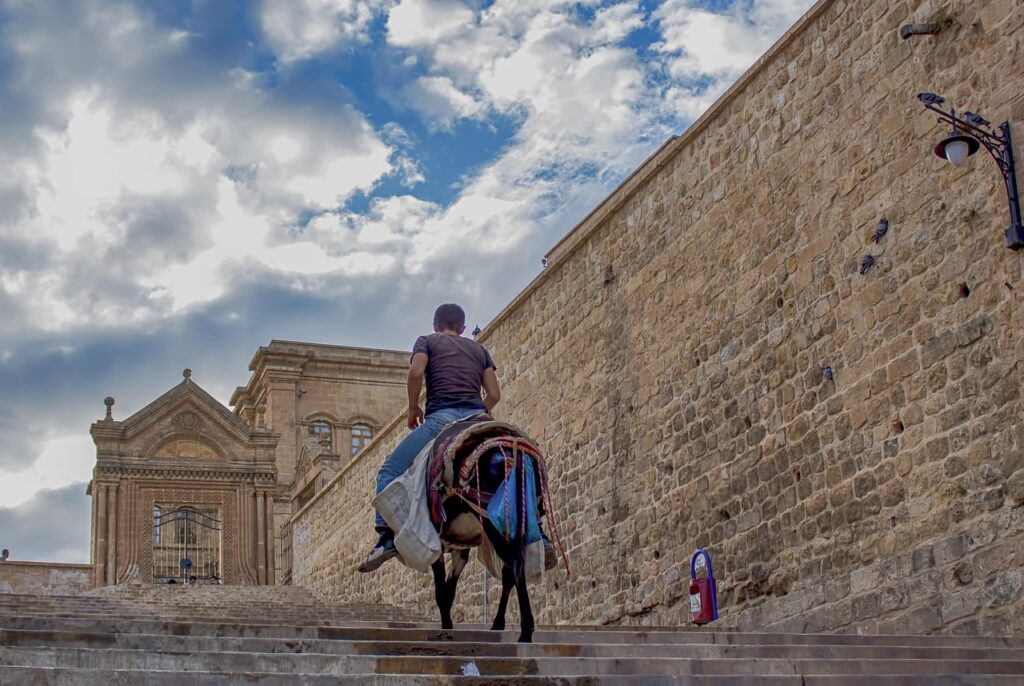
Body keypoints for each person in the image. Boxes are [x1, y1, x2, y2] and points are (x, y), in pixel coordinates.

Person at [359, 303, 500, 573]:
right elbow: (494, 394)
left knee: (388, 472)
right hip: (478, 419)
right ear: (462, 328)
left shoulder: (426, 341)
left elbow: (415, 373)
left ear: (435, 325)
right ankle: (534, 533)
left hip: (442, 420)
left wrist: (413, 408)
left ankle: (386, 538)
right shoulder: (480, 350)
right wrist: (480, 413)